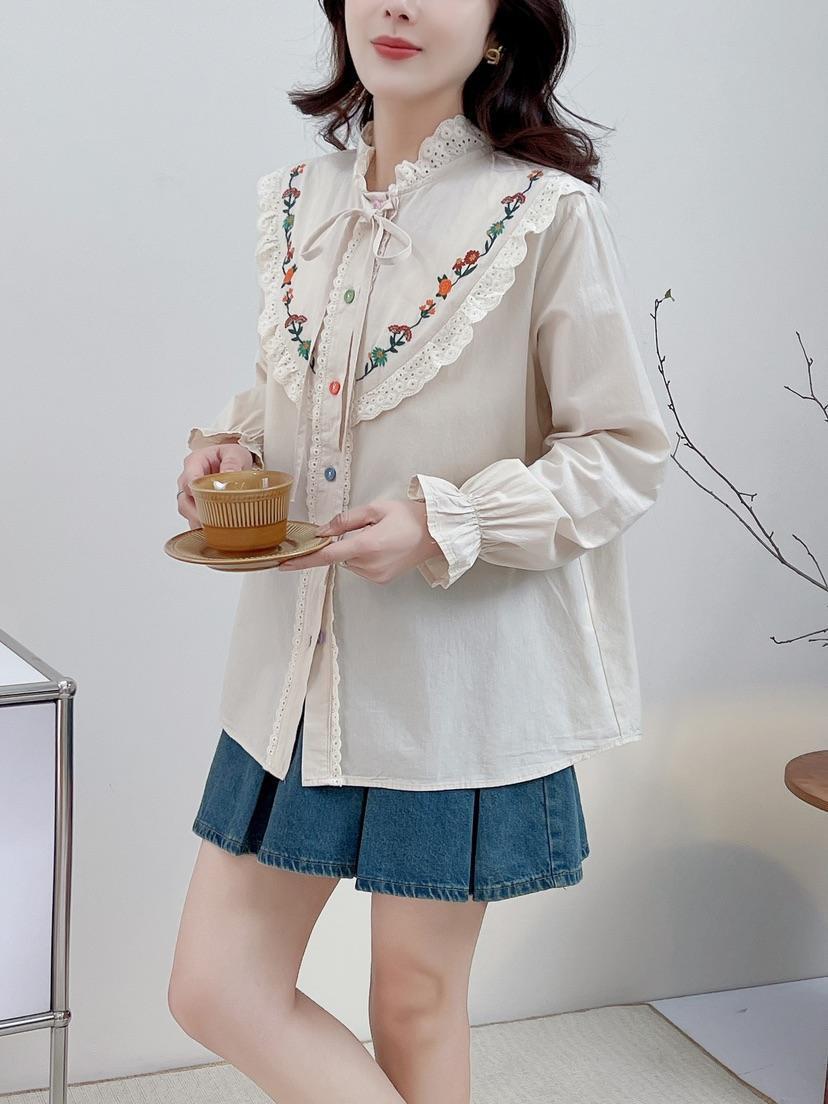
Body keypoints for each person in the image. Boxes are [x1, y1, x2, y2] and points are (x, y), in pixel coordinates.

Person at [168, 1, 672, 1101]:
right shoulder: (296, 202)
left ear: (498, 30)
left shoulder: (545, 215)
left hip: (457, 692)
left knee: (415, 1002)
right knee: (215, 988)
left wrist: (448, 520)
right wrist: (233, 449)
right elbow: (305, 394)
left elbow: (622, 451)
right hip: (292, 684)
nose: (397, 4)